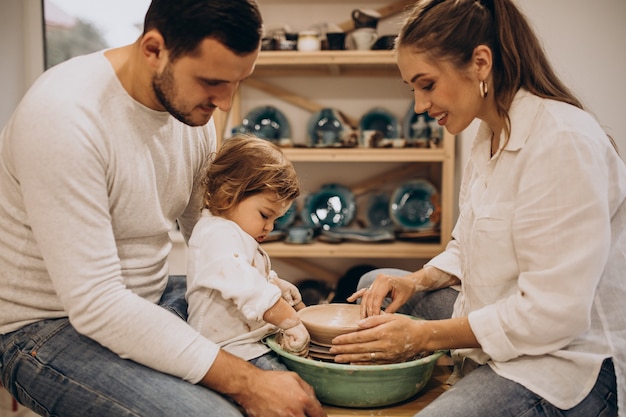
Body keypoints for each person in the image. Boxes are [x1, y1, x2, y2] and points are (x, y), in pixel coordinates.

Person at [0, 0, 326, 416]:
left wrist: (267, 286)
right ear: (154, 49)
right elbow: (97, 305)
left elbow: (213, 236)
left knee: (302, 364)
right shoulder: (64, 117)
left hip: (149, 297)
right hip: (47, 327)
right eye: (212, 81)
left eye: (237, 82)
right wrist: (247, 382)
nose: (225, 103)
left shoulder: (193, 115)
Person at [329, 0, 625, 416]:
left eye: (427, 85)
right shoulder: (488, 134)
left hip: (567, 364)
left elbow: (553, 315)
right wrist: (416, 281)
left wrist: (422, 337)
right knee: (378, 282)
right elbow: (467, 246)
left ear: (480, 62)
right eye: (412, 88)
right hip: (512, 324)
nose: (418, 104)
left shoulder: (563, 141)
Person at [186, 135, 309, 370]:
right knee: (286, 388)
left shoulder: (234, 232)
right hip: (227, 350)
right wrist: (290, 320)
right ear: (228, 193)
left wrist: (275, 284)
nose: (269, 227)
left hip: (249, 343)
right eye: (265, 215)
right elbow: (244, 283)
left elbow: (248, 275)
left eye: (276, 220)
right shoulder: (215, 234)